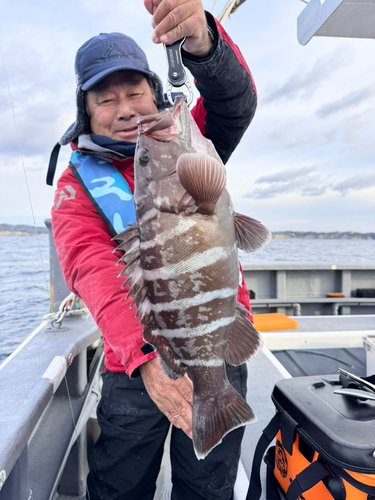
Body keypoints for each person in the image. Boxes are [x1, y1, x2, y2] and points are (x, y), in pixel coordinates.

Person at [51, 1, 257, 499]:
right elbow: (92, 269)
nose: (124, 109)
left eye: (135, 91)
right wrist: (148, 361)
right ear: (86, 111)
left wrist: (203, 42)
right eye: (105, 99)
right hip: (136, 362)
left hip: (219, 339)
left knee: (208, 487)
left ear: (156, 91)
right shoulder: (76, 187)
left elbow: (234, 103)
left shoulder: (187, 140)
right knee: (119, 483)